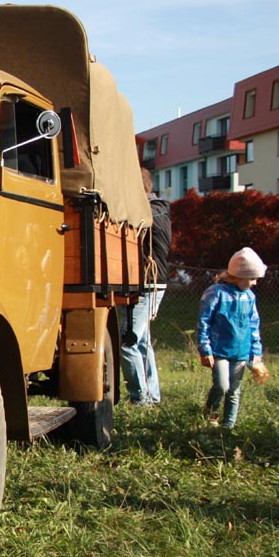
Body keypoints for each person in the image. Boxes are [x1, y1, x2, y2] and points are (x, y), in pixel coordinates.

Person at [196, 247, 270, 430]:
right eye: (252, 278)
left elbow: (253, 325)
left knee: (234, 390)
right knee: (221, 385)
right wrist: (205, 349)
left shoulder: (249, 297)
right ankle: (210, 414)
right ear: (239, 276)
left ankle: (228, 427)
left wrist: (255, 353)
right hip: (219, 351)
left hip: (241, 353)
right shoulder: (216, 293)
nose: (254, 283)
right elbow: (204, 321)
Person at [120, 167, 172, 405]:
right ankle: (152, 394)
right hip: (150, 282)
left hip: (148, 283)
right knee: (142, 341)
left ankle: (141, 399)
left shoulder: (150, 212)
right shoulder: (160, 209)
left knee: (128, 341)